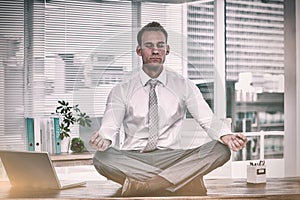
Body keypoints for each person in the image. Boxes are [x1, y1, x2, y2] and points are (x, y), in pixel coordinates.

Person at [89, 21, 247, 197]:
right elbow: (110, 126)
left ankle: (148, 186)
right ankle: (181, 181)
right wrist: (104, 139)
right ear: (139, 51)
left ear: (167, 50)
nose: (155, 50)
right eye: (149, 45)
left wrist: (226, 136)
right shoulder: (122, 89)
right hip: (134, 158)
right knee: (101, 158)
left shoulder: (184, 85)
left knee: (220, 150)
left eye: (160, 45)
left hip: (172, 158)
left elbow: (207, 119)